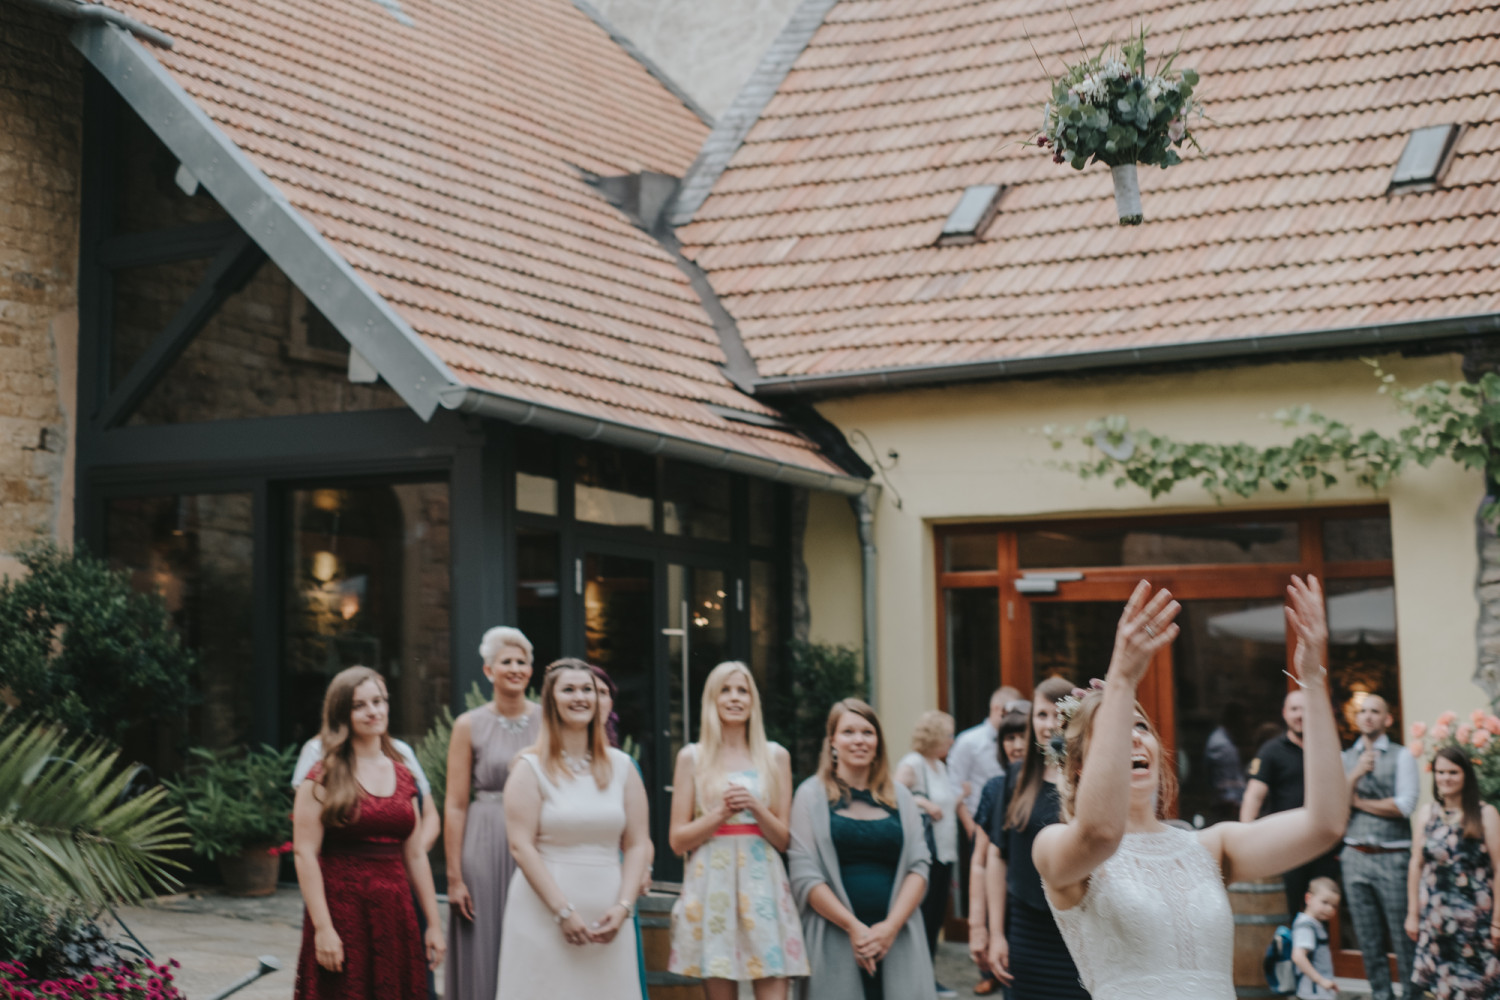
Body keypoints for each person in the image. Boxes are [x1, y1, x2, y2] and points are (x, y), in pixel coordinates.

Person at [1033, 576, 1348, 1000]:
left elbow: (1326, 824)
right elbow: (1101, 833)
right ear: (1078, 768)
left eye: (1140, 726)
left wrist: (1312, 680)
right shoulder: (1054, 847)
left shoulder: (1209, 848)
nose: (1132, 737)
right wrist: (1121, 680)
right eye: (1113, 729)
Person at [496, 658, 651, 999]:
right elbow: (521, 846)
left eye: (587, 690)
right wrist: (562, 912)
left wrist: (624, 906)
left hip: (609, 912)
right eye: (568, 690)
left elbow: (638, 843)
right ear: (551, 701)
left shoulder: (623, 767)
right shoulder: (529, 768)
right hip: (543, 911)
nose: (579, 697)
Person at [291, 666, 445, 1000]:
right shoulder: (322, 776)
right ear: (341, 713)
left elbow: (415, 855)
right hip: (343, 911)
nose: (373, 711)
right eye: (359, 705)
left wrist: (433, 924)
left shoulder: (404, 775)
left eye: (378, 701)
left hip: (396, 911)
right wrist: (323, 928)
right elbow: (305, 854)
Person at [668, 661, 807, 998]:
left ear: (752, 700)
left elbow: (784, 840)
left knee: (773, 982)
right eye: (725, 691)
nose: (734, 698)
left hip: (763, 881)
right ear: (712, 700)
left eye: (742, 691)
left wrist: (756, 807)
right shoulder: (692, 757)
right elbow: (677, 841)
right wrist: (720, 813)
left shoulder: (775, 756)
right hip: (712, 882)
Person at [787, 698, 935, 1000]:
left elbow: (919, 866)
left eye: (868, 732)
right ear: (832, 741)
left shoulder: (902, 797)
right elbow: (805, 875)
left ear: (878, 742)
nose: (859, 740)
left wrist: (889, 928)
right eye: (849, 732)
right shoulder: (809, 796)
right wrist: (854, 928)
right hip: (833, 938)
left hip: (898, 939)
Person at [443, 626, 541, 1000]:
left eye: (522, 662)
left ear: (530, 670)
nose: (515, 669)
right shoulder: (468, 725)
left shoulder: (549, 720)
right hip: (484, 839)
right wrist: (454, 877)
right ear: (488, 671)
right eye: (506, 662)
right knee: (483, 936)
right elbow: (455, 804)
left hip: (536, 837)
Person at [982, 678, 1082, 1000]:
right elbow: (998, 857)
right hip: (1026, 930)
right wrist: (996, 934)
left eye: (1058, 714)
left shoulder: (1089, 781)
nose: (1050, 724)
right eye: (1041, 715)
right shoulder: (1017, 777)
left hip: (1080, 931)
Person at [1405, 745, 1500, 1000]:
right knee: (1441, 988)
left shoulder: (1485, 814)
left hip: (1474, 923)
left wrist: (1497, 921)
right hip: (1435, 920)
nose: (1445, 778)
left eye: (1453, 772)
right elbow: (1416, 864)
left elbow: (1499, 867)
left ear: (1466, 775)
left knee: (1477, 987)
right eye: (1440, 772)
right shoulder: (1427, 813)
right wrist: (1413, 914)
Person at [1340, 693, 1418, 1000]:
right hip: (1355, 855)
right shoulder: (1346, 758)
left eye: (1375, 711)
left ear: (1388, 719)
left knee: (1403, 936)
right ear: (1357, 719)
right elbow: (1336, 805)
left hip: (1393, 855)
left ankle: (1412, 994)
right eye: (1363, 711)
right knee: (1368, 937)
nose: (1368, 716)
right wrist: (1355, 775)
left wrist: (1358, 802)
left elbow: (1404, 805)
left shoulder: (1402, 756)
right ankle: (1381, 995)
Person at [1243, 688, 1344, 916]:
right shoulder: (1272, 751)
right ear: (1284, 713)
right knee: (1286, 911)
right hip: (1288, 846)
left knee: (1322, 913)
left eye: (1305, 709)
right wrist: (1246, 839)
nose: (1300, 715)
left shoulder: (1326, 749)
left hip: (1324, 847)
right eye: (1294, 709)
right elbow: (1254, 795)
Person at [589, 664, 652, 999]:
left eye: (603, 692)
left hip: (617, 878)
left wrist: (644, 869)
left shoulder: (626, 765)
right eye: (589, 691)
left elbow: (641, 836)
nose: (595, 699)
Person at [895, 710, 960, 998]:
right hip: (925, 855)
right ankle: (917, 979)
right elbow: (893, 796)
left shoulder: (939, 766)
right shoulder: (913, 763)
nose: (952, 740)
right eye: (948, 735)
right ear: (934, 736)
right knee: (923, 917)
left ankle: (927, 976)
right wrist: (924, 803)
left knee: (934, 918)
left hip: (943, 853)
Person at [966, 707, 1028, 996]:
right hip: (1006, 910)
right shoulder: (995, 789)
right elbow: (979, 861)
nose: (1016, 746)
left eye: (1023, 736)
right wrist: (978, 927)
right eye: (1009, 738)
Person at [950, 689, 1021, 913]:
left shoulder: (1022, 741)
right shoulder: (968, 741)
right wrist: (971, 828)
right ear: (997, 709)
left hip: (1014, 822)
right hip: (981, 824)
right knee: (985, 880)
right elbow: (954, 785)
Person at [1291, 878, 1341, 1000]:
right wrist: (1321, 980)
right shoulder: (1306, 926)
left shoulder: (1315, 925)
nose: (1329, 909)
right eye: (1325, 902)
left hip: (1318, 992)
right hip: (1313, 992)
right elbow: (1298, 956)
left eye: (1334, 906)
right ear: (1308, 898)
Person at [1202, 702, 1246, 824]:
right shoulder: (1222, 744)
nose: (1246, 722)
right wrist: (1237, 804)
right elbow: (1226, 782)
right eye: (1243, 717)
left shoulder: (1223, 739)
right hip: (1227, 808)